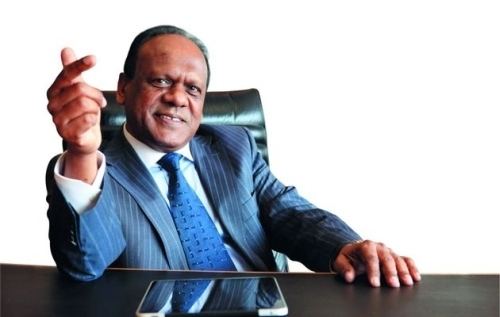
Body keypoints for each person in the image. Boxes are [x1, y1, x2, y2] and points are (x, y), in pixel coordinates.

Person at [46, 25, 420, 287]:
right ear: (124, 89)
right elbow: (84, 267)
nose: (178, 97)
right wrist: (82, 152)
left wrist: (346, 246)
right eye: (161, 81)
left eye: (193, 88)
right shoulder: (98, 171)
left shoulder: (233, 146)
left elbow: (291, 213)